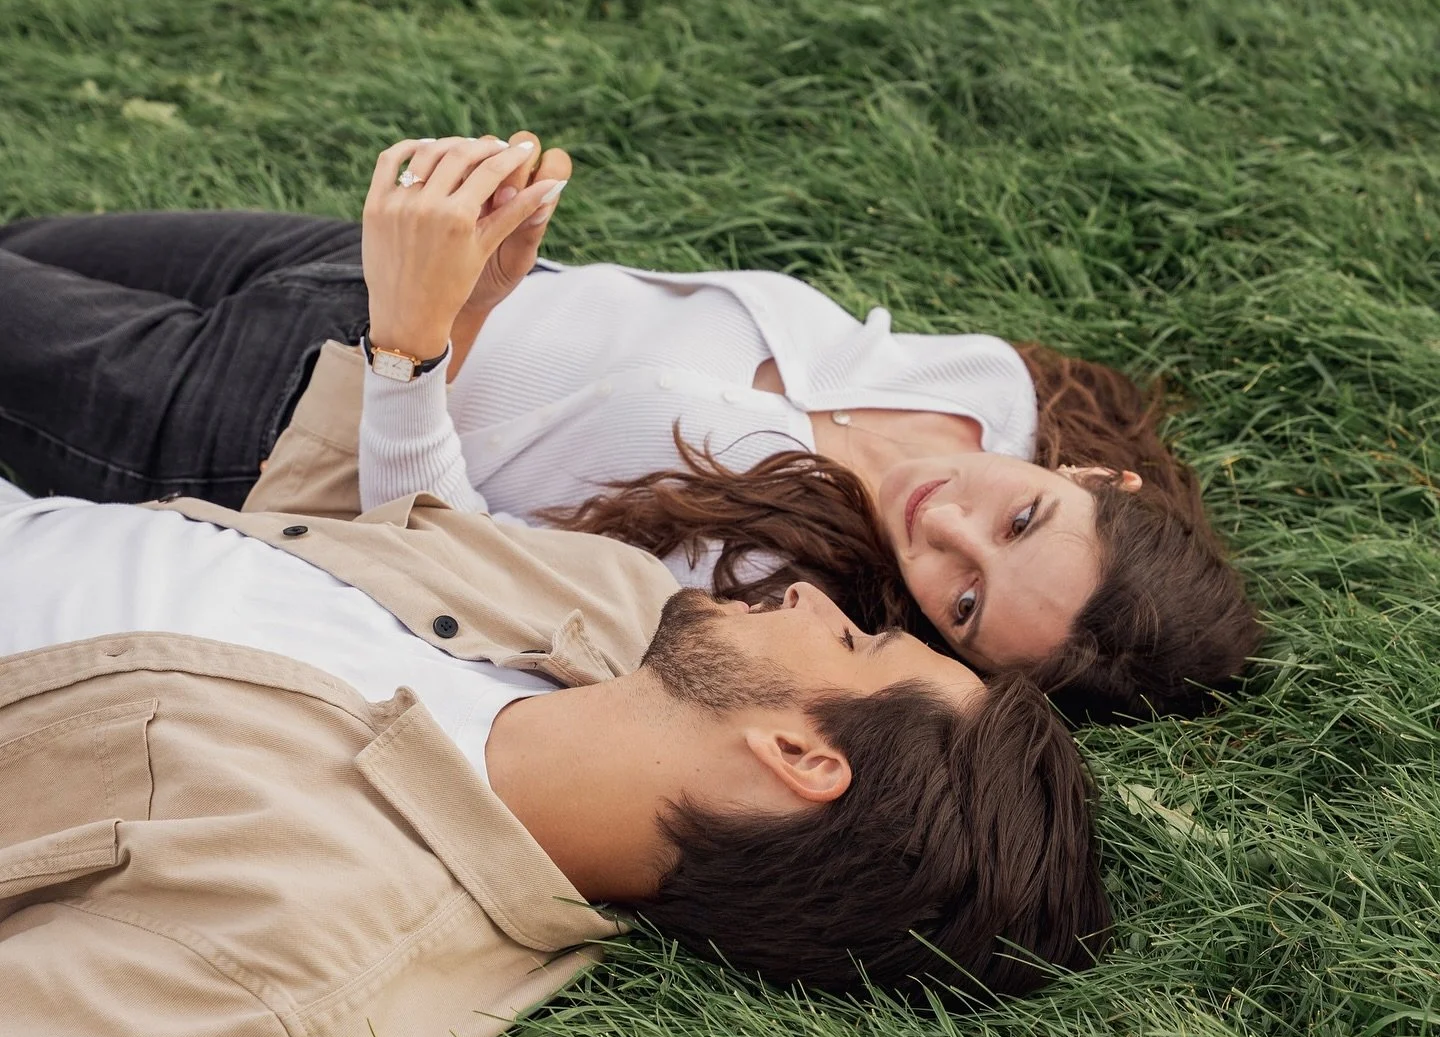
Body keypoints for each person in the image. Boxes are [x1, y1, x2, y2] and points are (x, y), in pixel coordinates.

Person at [0, 139, 1109, 1037]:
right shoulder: (618, 625)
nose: (821, 597)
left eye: (860, 642)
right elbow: (349, 530)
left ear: (797, 757)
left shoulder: (300, 952)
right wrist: (439, 331)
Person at [0, 134, 1258, 721]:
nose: (951, 533)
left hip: (263, 416)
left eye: (966, 602)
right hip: (362, 267)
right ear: (1090, 471)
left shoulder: (772, 587)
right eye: (1023, 513)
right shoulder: (988, 390)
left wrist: (421, 342)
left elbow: (439, 552)